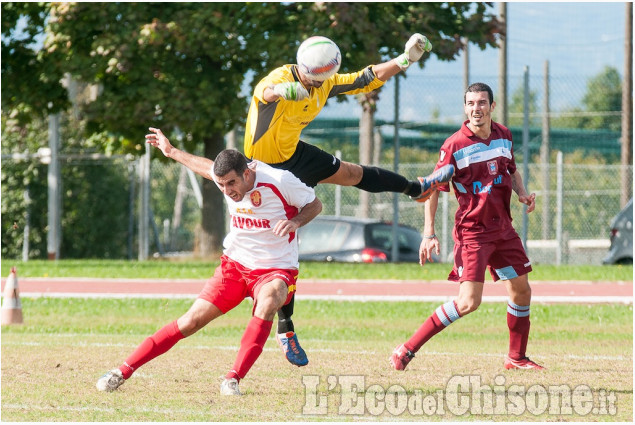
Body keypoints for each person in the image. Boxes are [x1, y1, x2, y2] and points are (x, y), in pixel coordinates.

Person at [244, 34, 454, 366]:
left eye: (322, 80)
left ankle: (414, 188)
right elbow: (264, 92)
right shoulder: (282, 79)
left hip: (291, 154)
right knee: (285, 248)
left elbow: (367, 78)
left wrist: (404, 59)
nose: (317, 85)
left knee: (351, 173)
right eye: (313, 79)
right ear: (302, 68)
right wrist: (281, 91)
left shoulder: (324, 82)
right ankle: (285, 328)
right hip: (262, 169)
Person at [97, 127, 323, 396]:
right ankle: (122, 370)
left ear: (247, 173)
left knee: (271, 297)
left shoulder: (280, 180)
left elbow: (315, 204)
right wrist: (171, 152)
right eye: (221, 184)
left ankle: (232, 378)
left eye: (231, 183)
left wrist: (295, 221)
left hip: (275, 268)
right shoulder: (224, 180)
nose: (227, 190)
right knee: (189, 322)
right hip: (235, 266)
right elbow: (204, 166)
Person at [390, 82, 544, 371]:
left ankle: (516, 358)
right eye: (471, 103)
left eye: (482, 103)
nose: (477, 108)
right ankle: (407, 349)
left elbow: (512, 169)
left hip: (503, 231)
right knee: (468, 303)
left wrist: (522, 193)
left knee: (522, 291)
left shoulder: (503, 136)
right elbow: (432, 189)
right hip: (473, 233)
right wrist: (428, 233)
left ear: (492, 107)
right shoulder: (454, 146)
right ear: (465, 108)